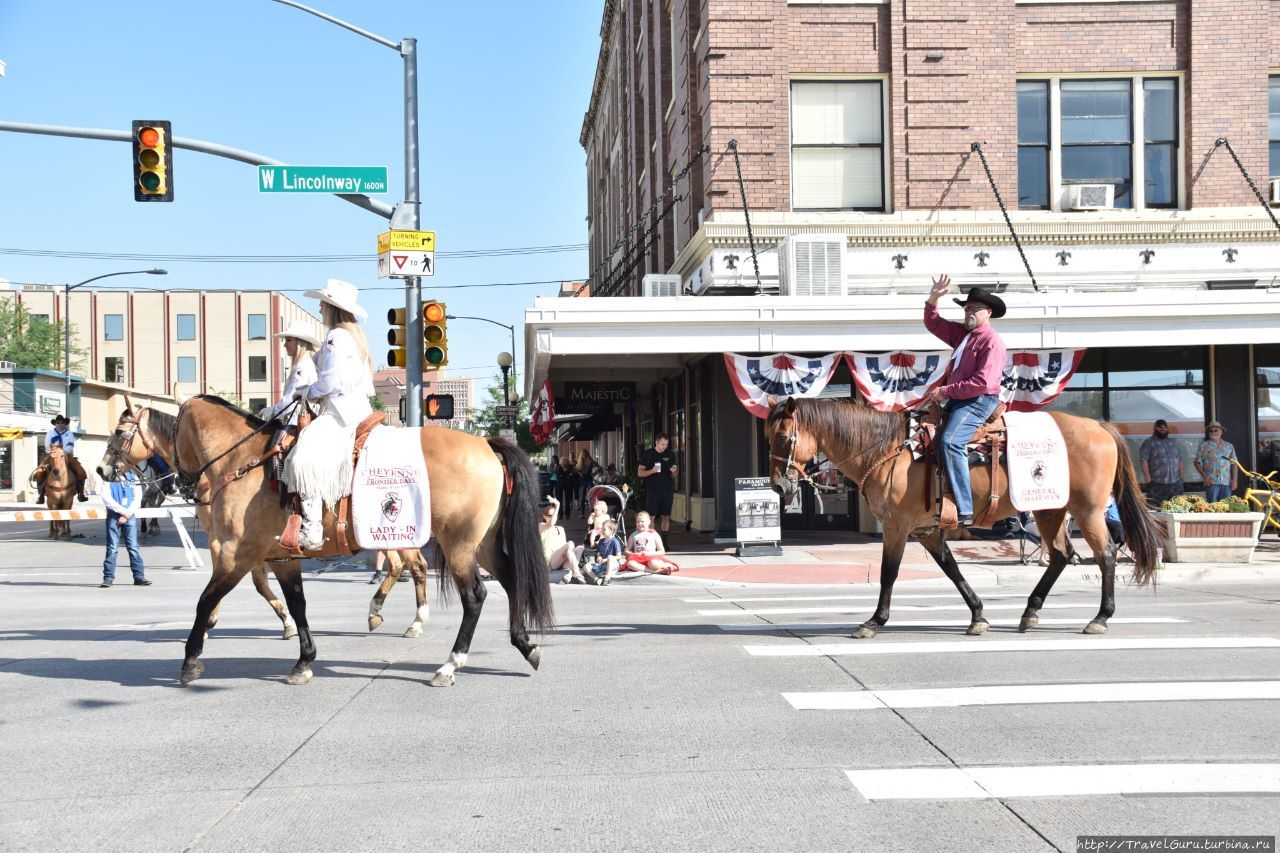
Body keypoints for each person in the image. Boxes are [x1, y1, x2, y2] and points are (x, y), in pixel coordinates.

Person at [283, 279, 375, 551]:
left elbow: (330, 382)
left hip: (339, 412)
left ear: (332, 308)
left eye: (323, 303)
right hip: (356, 408)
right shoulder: (353, 337)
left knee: (301, 458)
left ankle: (311, 529)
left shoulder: (336, 337)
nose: (320, 307)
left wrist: (307, 392)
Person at [923, 274, 1008, 527]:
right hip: (962, 400)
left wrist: (945, 391)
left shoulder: (991, 341)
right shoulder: (964, 335)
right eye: (966, 308)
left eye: (974, 308)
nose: (968, 312)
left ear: (988, 312)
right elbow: (934, 323)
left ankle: (964, 507)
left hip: (979, 400)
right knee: (930, 438)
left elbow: (983, 383)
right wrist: (934, 298)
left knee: (950, 441)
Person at [260, 320, 321, 424]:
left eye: (288, 340)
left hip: (295, 423)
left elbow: (291, 399)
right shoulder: (305, 365)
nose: (285, 345)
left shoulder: (302, 367)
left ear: (300, 343)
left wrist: (273, 411)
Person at [99, 467, 150, 587]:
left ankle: (139, 577)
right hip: (114, 515)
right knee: (112, 547)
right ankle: (108, 578)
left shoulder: (133, 477)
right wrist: (123, 512)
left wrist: (127, 514)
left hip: (129, 515)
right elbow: (106, 498)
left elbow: (137, 498)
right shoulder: (107, 479)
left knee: (133, 547)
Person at [37, 415, 88, 504]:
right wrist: (54, 452)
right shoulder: (50, 433)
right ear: (55, 424)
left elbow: (70, 446)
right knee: (39, 471)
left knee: (81, 471)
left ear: (65, 424)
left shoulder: (69, 434)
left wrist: (62, 453)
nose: (60, 424)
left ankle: (81, 493)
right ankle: (41, 494)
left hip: (67, 455)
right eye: (58, 422)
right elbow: (47, 445)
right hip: (52, 455)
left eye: (62, 422)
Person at [638, 433, 679, 533]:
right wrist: (652, 471)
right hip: (653, 491)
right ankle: (652, 542)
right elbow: (640, 473)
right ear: (656, 442)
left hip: (667, 490)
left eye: (666, 444)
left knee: (666, 516)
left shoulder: (669, 454)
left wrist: (674, 472)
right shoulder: (648, 454)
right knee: (651, 517)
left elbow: (675, 474)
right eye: (662, 444)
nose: (665, 447)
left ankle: (664, 543)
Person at [540, 496, 586, 583]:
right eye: (550, 515)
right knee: (570, 543)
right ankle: (576, 573)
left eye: (554, 515)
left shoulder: (560, 529)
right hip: (550, 561)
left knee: (580, 548)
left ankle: (569, 574)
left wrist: (568, 553)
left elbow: (565, 547)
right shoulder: (542, 526)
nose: (553, 517)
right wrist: (558, 505)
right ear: (544, 516)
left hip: (562, 561)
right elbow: (551, 523)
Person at [1139, 419, 1184, 506]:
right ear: (1155, 428)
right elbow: (1143, 460)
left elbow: (1180, 459)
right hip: (1156, 482)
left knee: (1177, 508)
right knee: (1155, 508)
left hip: (1175, 482)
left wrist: (1181, 476)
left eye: (1165, 427)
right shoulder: (1149, 442)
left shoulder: (1173, 442)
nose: (1163, 429)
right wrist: (1147, 478)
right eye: (1160, 427)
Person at [1194, 420, 1237, 503]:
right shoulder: (1204, 446)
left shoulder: (1229, 446)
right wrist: (1204, 476)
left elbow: (1234, 463)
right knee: (1212, 508)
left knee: (1227, 507)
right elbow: (1196, 462)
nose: (1213, 432)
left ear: (1221, 431)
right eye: (1211, 431)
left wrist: (1235, 480)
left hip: (1226, 482)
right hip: (1211, 482)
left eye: (1216, 430)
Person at [586, 519, 624, 585]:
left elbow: (619, 556)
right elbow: (599, 552)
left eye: (604, 529)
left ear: (611, 531)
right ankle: (597, 579)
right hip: (603, 565)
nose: (602, 531)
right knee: (586, 566)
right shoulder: (601, 541)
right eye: (602, 529)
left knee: (610, 557)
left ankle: (607, 577)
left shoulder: (615, 541)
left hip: (613, 564)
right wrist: (599, 556)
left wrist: (606, 559)